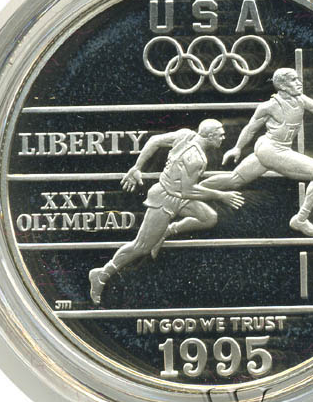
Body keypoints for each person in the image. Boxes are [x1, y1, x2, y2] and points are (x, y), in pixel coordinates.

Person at [89, 119, 244, 304]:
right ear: (210, 136)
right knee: (141, 246)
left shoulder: (185, 134)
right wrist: (221, 196)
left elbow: (154, 140)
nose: (223, 138)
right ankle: (102, 274)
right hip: (165, 198)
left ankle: (166, 231)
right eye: (220, 135)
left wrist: (137, 167)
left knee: (209, 217)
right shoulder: (195, 158)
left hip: (179, 195)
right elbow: (188, 191)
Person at [201, 68, 313, 236]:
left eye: (298, 79)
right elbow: (251, 128)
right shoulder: (269, 106)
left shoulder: (300, 99)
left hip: (270, 149)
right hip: (273, 150)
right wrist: (237, 148)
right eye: (294, 80)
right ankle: (301, 219)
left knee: (234, 180)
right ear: (282, 85)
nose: (299, 83)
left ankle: (196, 190)